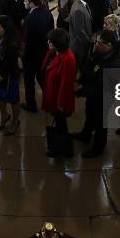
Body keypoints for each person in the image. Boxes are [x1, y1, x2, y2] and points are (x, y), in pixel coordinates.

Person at [73, 29, 120, 158]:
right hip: (92, 95)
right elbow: (89, 67)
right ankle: (85, 134)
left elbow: (100, 87)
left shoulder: (114, 65)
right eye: (96, 41)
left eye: (99, 43)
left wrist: (81, 91)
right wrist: (80, 81)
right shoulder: (100, 53)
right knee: (89, 114)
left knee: (100, 122)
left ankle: (98, 147)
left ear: (109, 45)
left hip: (103, 97)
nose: (96, 45)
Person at [41, 28, 76, 158]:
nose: (48, 42)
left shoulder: (68, 58)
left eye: (51, 41)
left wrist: (61, 104)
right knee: (59, 123)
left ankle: (62, 150)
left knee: (61, 125)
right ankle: (60, 147)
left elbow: (66, 84)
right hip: (52, 93)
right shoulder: (53, 52)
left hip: (59, 99)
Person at [22, 0, 54, 113]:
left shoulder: (30, 19)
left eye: (25, 1)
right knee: (42, 79)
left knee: (29, 81)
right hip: (44, 53)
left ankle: (31, 105)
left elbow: (27, 40)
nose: (23, 3)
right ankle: (50, 102)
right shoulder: (47, 12)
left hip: (31, 56)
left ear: (31, 3)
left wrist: (24, 55)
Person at [0, 15, 21, 135]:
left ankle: (15, 121)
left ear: (6, 29)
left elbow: (10, 64)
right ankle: (5, 116)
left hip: (9, 76)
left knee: (13, 100)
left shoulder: (12, 44)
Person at [69, 0, 93, 72]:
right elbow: (80, 32)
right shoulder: (78, 9)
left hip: (82, 45)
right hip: (79, 47)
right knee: (79, 70)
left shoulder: (82, 3)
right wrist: (90, 42)